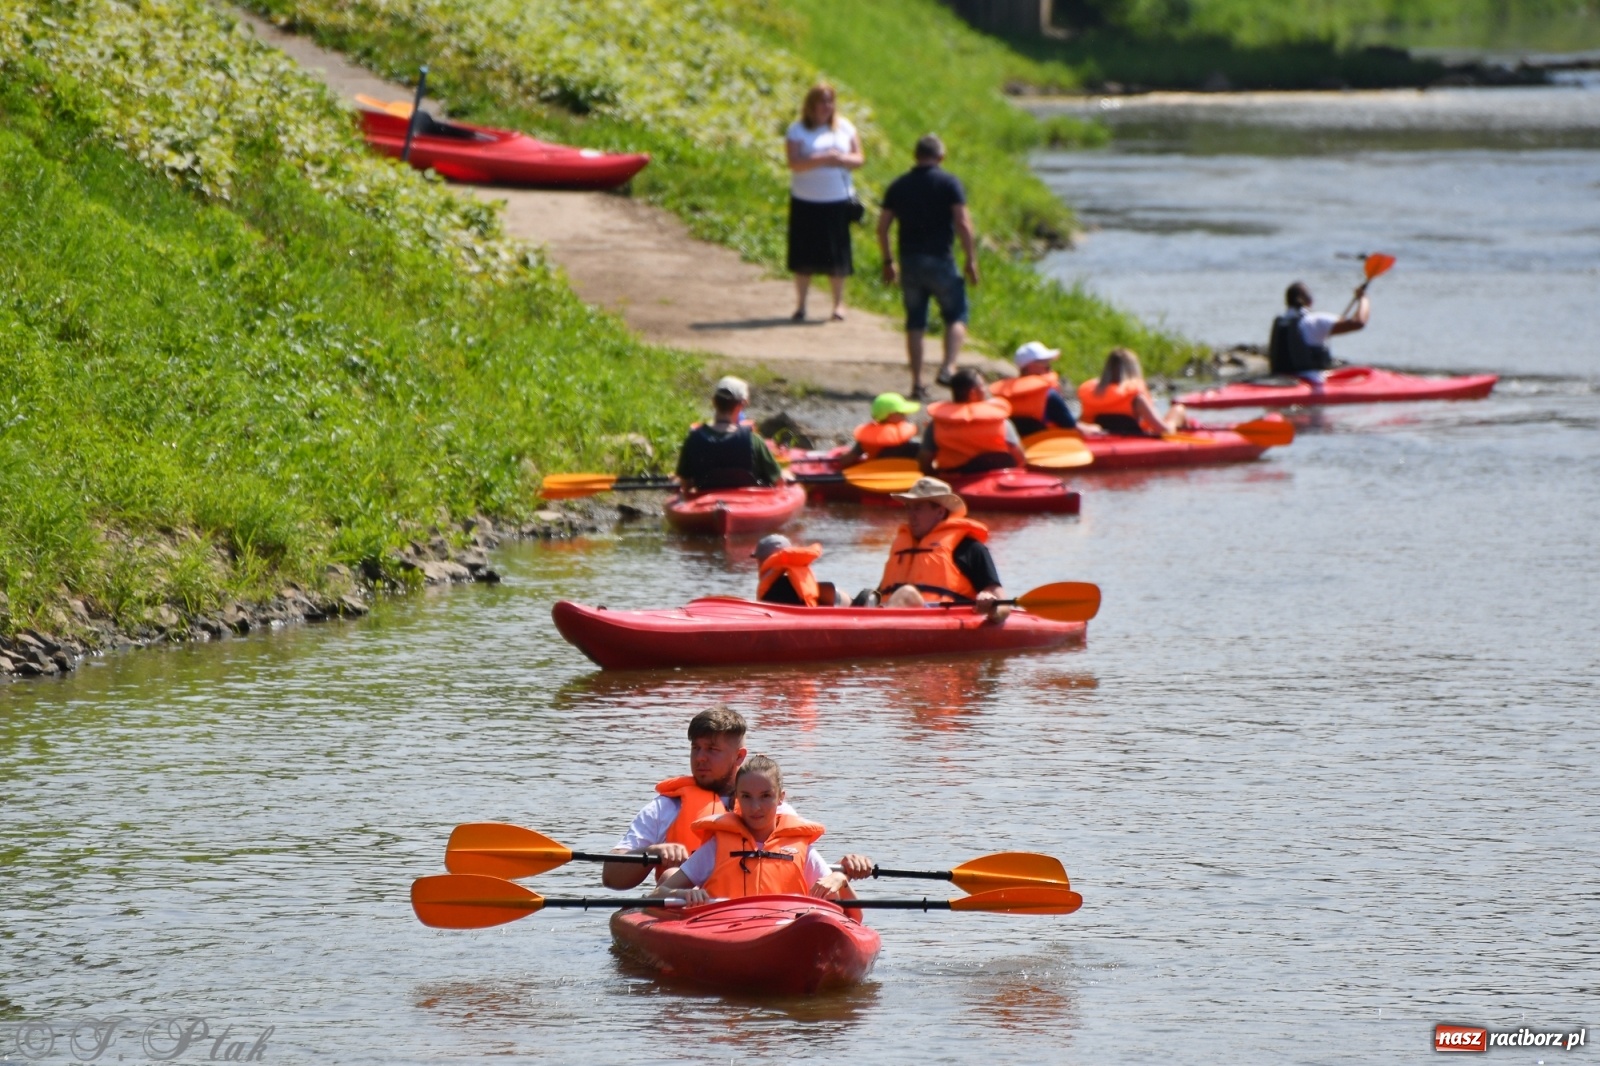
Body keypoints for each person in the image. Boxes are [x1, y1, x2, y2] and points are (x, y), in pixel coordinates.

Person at [653, 754, 871, 904]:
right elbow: (657, 894)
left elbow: (847, 913)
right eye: (746, 797)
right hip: (725, 929)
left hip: (785, 929)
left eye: (766, 796)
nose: (755, 807)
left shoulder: (801, 849)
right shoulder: (716, 847)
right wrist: (683, 894)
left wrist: (841, 879)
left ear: (780, 799)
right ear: (737, 798)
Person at [604, 707, 755, 889]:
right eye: (696, 748)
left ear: (739, 756)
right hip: (687, 908)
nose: (700, 758)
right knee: (671, 875)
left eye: (712, 749)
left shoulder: (765, 805)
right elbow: (611, 878)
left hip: (753, 910)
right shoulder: (666, 808)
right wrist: (651, 852)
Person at [878, 134, 980, 400]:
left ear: (915, 155)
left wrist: (888, 261)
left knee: (915, 322)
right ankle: (948, 366)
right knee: (956, 314)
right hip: (941, 260)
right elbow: (963, 223)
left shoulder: (899, 185)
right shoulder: (949, 183)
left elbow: (883, 226)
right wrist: (970, 259)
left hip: (910, 262)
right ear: (941, 157)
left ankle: (916, 383)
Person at [876, 477, 1010, 622]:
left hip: (941, 621)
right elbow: (879, 595)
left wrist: (992, 606)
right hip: (893, 617)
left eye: (918, 508)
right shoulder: (902, 547)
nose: (911, 515)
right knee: (847, 598)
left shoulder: (970, 549)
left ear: (940, 512)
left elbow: (1003, 606)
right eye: (908, 507)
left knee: (906, 594)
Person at [786, 84, 865, 323]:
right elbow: (794, 163)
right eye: (822, 102)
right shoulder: (797, 130)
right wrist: (821, 159)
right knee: (803, 256)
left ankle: (839, 305)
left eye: (830, 102)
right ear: (810, 105)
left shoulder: (845, 127)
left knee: (837, 257)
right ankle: (801, 305)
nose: (826, 107)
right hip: (806, 200)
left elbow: (859, 158)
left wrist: (841, 159)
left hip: (837, 200)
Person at [675, 376, 784, 491]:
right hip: (747, 502)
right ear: (741, 404)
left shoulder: (694, 438)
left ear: (713, 401)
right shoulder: (753, 440)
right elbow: (779, 481)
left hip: (706, 501)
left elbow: (685, 484)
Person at [919, 368, 1026, 476]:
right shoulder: (1000, 421)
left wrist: (936, 476)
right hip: (997, 480)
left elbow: (924, 461)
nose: (985, 390)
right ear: (972, 393)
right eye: (982, 386)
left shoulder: (937, 424)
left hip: (954, 482)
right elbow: (1020, 458)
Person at [1268, 281, 1370, 383]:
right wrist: (1363, 298)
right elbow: (1358, 323)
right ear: (1308, 300)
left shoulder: (1282, 321)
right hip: (1311, 380)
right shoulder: (1314, 321)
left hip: (1280, 380)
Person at [1077, 347, 1189, 438]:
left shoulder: (1092, 392)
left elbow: (1081, 422)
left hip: (1103, 438)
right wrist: (1174, 422)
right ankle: (1186, 424)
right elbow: (1163, 431)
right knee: (1178, 409)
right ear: (1133, 370)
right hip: (1133, 437)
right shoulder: (1136, 397)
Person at [990, 341, 1077, 436]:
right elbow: (1071, 427)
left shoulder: (1000, 396)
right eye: (1044, 361)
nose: (1049, 366)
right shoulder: (1049, 395)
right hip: (1046, 444)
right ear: (1029, 366)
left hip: (1016, 445)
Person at [842, 392, 923, 465]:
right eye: (901, 413)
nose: (906, 415)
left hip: (874, 473)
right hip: (901, 475)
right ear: (890, 416)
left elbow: (849, 458)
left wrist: (838, 462)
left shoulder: (867, 438)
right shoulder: (904, 437)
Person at [753, 534, 826, 607]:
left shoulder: (777, 588)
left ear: (767, 559)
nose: (758, 564)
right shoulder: (799, 578)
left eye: (759, 559)